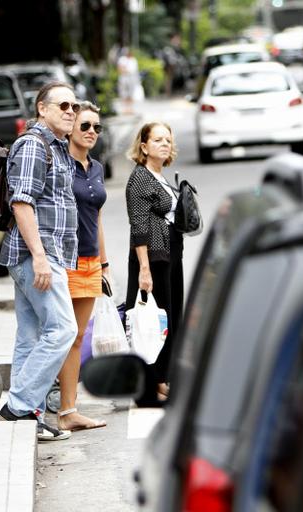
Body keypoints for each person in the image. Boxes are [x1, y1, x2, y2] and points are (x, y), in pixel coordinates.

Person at [0, 81, 80, 441]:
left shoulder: (56, 147)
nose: (71, 112)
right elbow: (22, 203)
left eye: (74, 107)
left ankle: (28, 413)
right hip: (36, 255)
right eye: (63, 105)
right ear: (41, 109)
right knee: (64, 329)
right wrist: (40, 257)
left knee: (30, 335)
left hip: (41, 254)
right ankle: (19, 405)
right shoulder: (33, 145)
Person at [57, 101, 109, 432]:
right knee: (60, 335)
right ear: (72, 127)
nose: (92, 132)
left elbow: (98, 218)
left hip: (91, 260)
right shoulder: (60, 164)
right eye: (85, 126)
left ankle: (69, 410)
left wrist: (105, 264)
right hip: (65, 259)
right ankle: (50, 407)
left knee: (76, 338)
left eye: (97, 128)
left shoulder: (97, 168)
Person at [124, 122, 183, 407]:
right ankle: (154, 382)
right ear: (144, 146)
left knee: (170, 317)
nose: (164, 144)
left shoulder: (160, 176)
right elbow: (138, 227)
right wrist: (144, 269)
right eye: (157, 139)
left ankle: (164, 377)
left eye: (167, 139)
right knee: (153, 322)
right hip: (153, 258)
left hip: (171, 254)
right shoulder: (139, 179)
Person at [117, 48, 140, 114]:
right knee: (124, 93)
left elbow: (135, 70)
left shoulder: (133, 60)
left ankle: (130, 108)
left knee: (131, 93)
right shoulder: (122, 59)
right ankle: (125, 109)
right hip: (124, 77)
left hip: (132, 77)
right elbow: (120, 69)